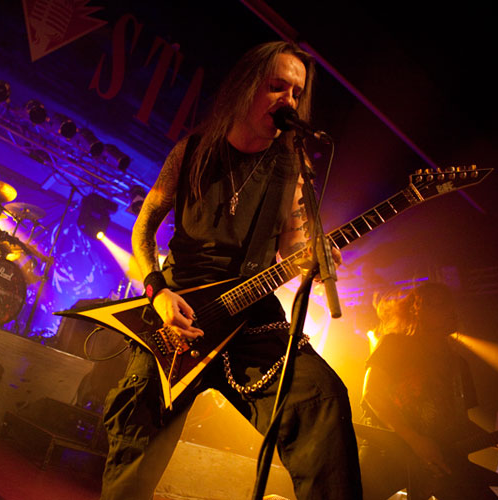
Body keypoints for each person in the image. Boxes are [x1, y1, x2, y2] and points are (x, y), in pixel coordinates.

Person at [100, 41, 362, 500]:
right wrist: (157, 292)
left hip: (251, 317)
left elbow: (293, 247)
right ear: (247, 87)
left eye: (297, 93)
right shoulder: (193, 151)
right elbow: (143, 229)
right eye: (277, 87)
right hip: (180, 310)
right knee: (137, 428)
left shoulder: (293, 167)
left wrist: (317, 263)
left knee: (323, 399)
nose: (288, 101)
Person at [359, 283, 498, 499]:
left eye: (449, 304)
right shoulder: (395, 345)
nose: (450, 311)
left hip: (437, 459)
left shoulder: (458, 364)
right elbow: (372, 393)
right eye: (439, 304)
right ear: (417, 311)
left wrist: (496, 439)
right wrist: (415, 439)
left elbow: (459, 423)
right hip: (387, 452)